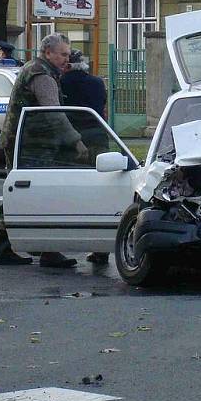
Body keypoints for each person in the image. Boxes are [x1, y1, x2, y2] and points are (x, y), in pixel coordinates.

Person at [0, 33, 87, 268]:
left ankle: (37, 249)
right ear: (48, 53)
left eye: (68, 54)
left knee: (33, 195)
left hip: (28, 142)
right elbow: (53, 112)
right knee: (32, 195)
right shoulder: (42, 75)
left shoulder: (37, 69)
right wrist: (76, 141)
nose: (67, 59)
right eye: (63, 54)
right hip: (29, 145)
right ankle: (33, 250)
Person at [61, 50, 111, 265]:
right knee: (99, 193)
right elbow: (104, 109)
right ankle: (100, 249)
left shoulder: (62, 82)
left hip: (74, 143)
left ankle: (60, 244)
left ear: (68, 65)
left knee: (70, 192)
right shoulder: (98, 83)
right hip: (98, 140)